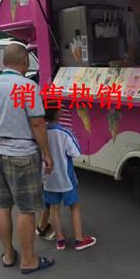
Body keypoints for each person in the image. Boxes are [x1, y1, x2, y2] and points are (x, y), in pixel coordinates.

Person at [0, 43, 55, 274]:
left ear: (3, 62)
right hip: (22, 153)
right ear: (25, 62)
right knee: (26, 208)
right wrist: (47, 154)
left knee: (2, 206)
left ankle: (8, 254)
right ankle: (29, 260)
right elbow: (37, 123)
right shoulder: (28, 87)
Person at [43, 106, 96, 251]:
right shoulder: (65, 133)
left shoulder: (40, 133)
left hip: (48, 178)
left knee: (54, 207)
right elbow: (76, 152)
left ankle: (60, 240)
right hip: (66, 178)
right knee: (74, 206)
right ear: (59, 114)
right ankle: (79, 240)